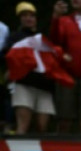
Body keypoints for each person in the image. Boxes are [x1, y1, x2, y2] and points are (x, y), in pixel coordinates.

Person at [49, 0, 81, 135]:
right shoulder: (63, 21)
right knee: (64, 119)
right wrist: (55, 16)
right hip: (66, 76)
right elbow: (53, 43)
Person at [3, 2, 56, 134]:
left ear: (36, 19)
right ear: (20, 19)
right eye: (25, 16)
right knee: (23, 125)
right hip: (23, 84)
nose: (29, 18)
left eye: (31, 16)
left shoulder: (43, 37)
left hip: (44, 86)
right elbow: (7, 57)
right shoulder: (14, 37)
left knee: (42, 126)